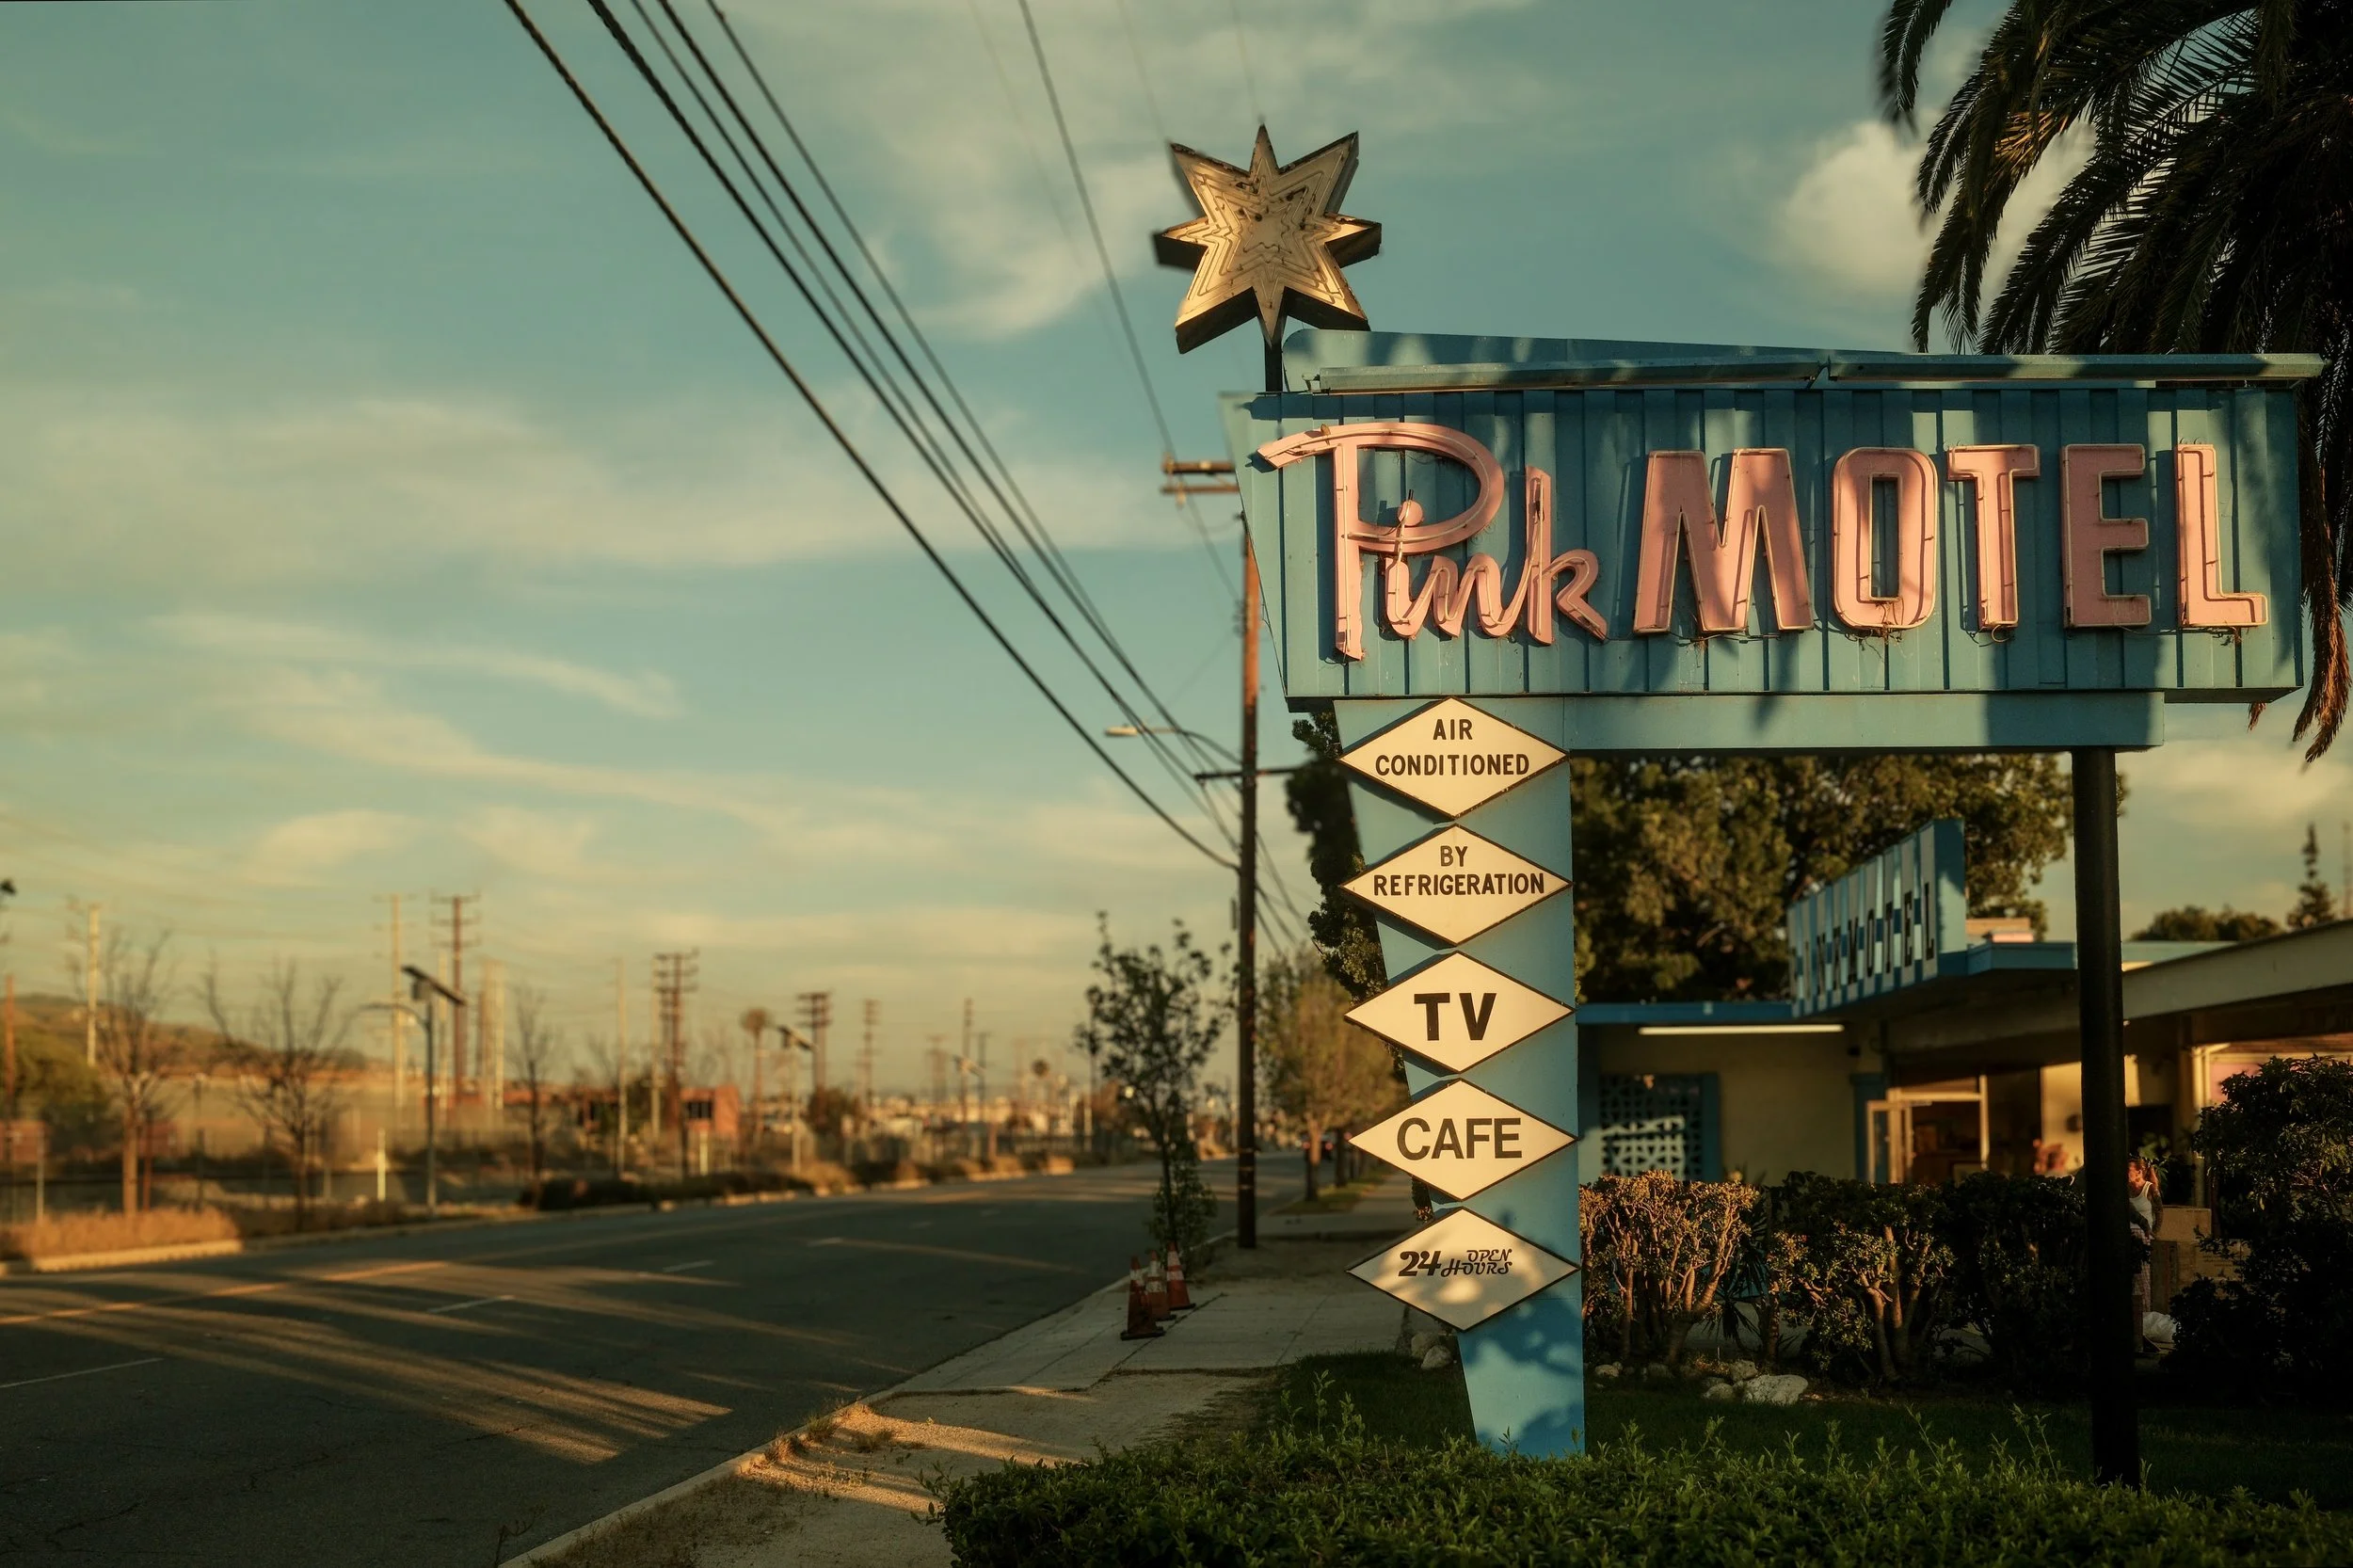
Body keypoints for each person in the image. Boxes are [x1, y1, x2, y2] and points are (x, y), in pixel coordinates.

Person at [2127, 1154, 2166, 1352]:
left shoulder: (2149, 1189)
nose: (2126, 1175)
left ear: (2139, 1172)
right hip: (2126, 1236)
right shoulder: (2125, 1189)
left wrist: (2154, 1233)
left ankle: (2144, 1319)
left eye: (2129, 1171)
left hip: (2143, 1236)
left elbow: (2159, 1212)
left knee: (2143, 1279)